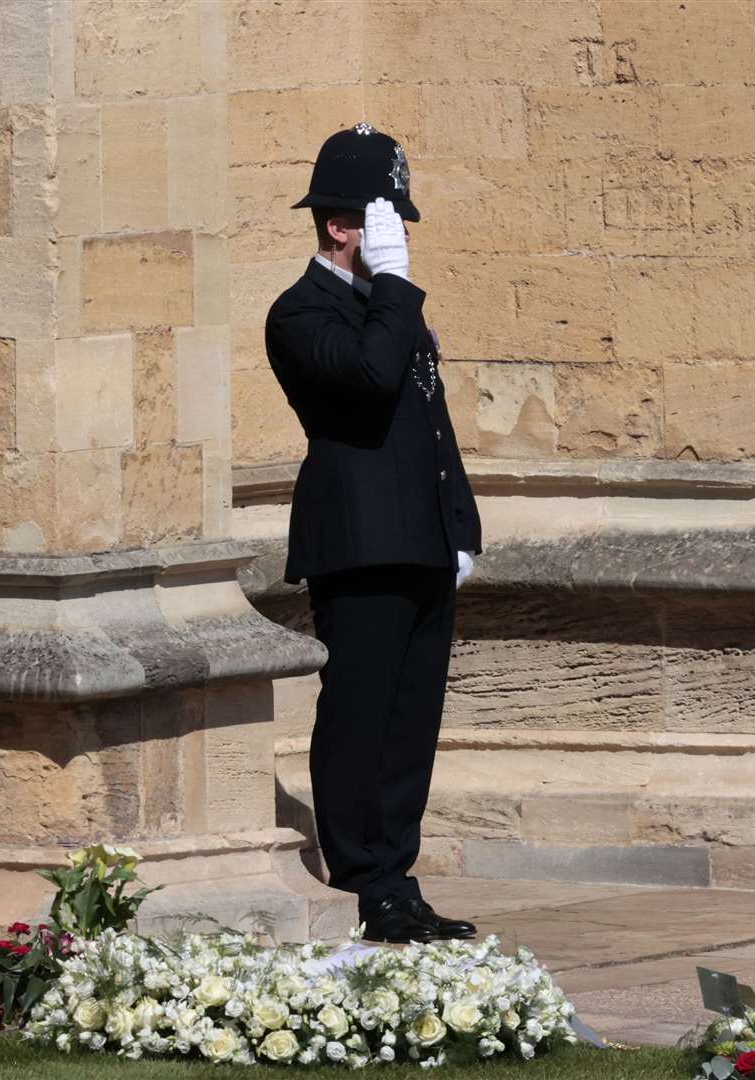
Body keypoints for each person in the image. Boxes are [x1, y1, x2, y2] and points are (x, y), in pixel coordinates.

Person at [264, 124, 483, 945]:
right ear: (340, 225)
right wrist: (394, 290)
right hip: (358, 543)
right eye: (386, 223)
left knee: (408, 720)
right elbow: (368, 377)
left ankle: (396, 874)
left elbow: (427, 421)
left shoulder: (381, 304)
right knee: (359, 716)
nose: (397, 245)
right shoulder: (301, 312)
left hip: (418, 538)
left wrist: (457, 522)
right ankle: (363, 878)